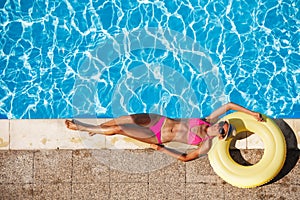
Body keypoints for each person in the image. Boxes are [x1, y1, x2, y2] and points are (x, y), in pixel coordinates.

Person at [65, 102, 264, 162]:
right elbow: (228, 105)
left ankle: (82, 128)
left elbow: (186, 157)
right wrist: (252, 113)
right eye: (224, 124)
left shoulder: (205, 144)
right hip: (158, 120)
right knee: (125, 118)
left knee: (120, 129)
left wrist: (161, 150)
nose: (220, 126)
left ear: (221, 136)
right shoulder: (208, 119)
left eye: (223, 130)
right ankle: (98, 130)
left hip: (157, 136)